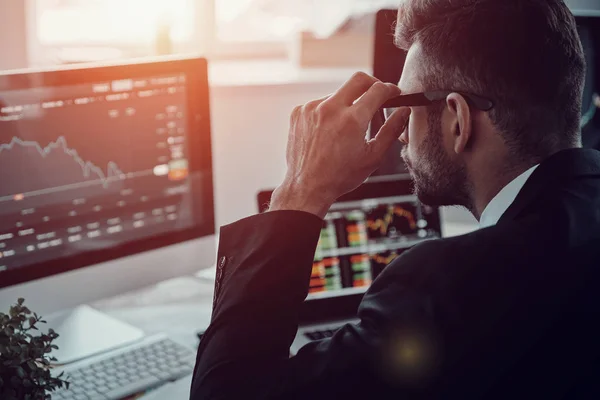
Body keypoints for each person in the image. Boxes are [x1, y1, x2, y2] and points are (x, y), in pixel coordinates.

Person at [191, 0, 600, 398]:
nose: (400, 133)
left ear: (457, 120)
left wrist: (300, 191)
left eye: (404, 108)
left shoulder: (449, 286)